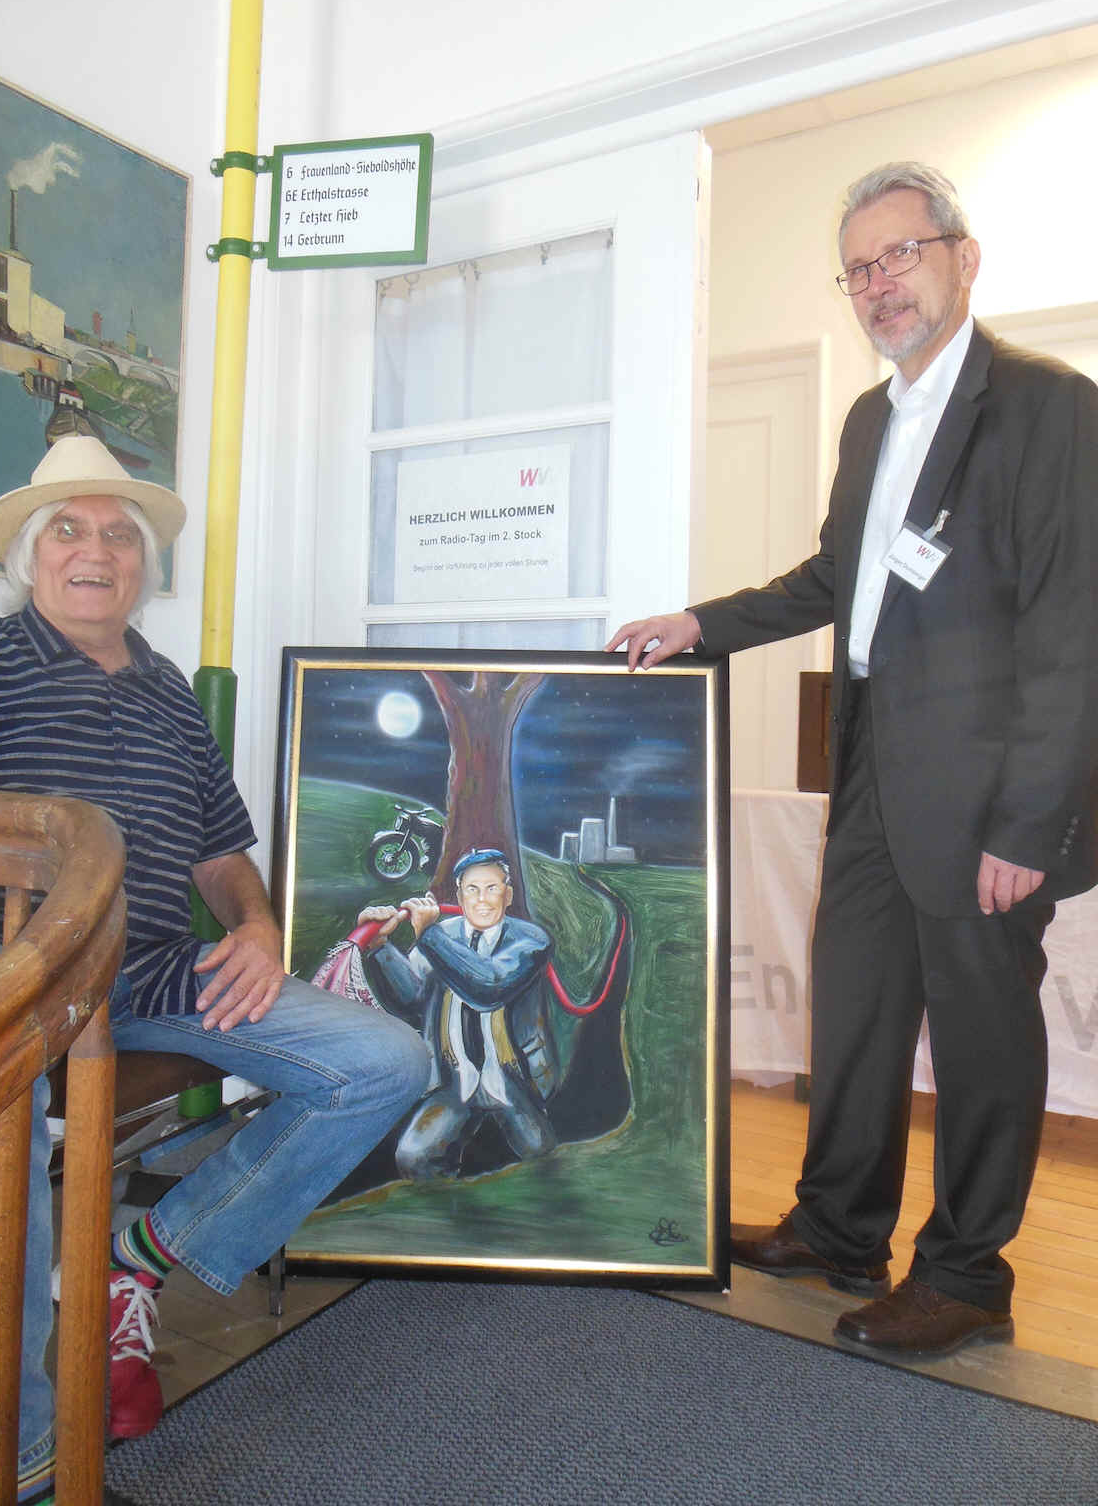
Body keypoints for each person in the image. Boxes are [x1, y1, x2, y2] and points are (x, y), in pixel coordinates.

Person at [607, 162, 1098, 1357]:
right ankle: (838, 1224)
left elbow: (1073, 623)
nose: (880, 283)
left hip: (987, 792)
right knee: (859, 1005)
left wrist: (1028, 823)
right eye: (859, 268)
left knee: (981, 1034)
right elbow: (837, 579)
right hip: (872, 764)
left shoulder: (1050, 406)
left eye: (901, 255)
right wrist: (701, 624)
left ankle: (969, 1274)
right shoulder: (871, 420)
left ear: (963, 257)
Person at [0, 434, 428, 1503]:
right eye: (68, 529)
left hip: (141, 973)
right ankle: (23, 1450)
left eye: (119, 534)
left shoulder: (171, 691)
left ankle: (136, 1260)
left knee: (385, 1061)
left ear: (142, 563)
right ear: (31, 558)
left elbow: (221, 857)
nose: (95, 551)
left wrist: (258, 927)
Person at [356, 848, 559, 1179]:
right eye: (472, 889)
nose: (482, 900)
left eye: (492, 888)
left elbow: (489, 986)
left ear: (508, 895)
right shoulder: (443, 935)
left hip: (512, 1074)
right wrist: (380, 947)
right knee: (413, 1158)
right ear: (460, 896)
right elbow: (411, 1001)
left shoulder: (530, 939)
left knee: (540, 1157)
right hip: (454, 1076)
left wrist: (429, 935)